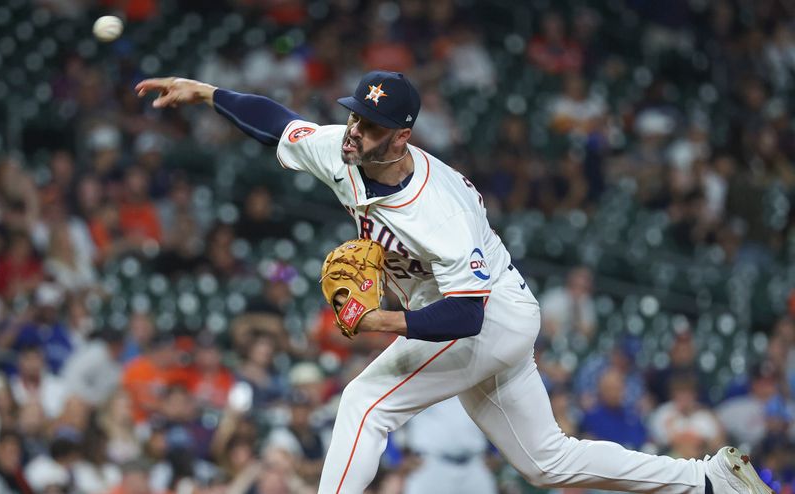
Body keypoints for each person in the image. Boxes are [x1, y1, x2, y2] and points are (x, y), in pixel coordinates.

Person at [136, 71, 769, 493]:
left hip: (486, 317)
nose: (356, 131)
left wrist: (377, 321)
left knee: (364, 403)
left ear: (402, 137)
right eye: (355, 117)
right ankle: (707, 479)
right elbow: (277, 122)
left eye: (372, 127)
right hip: (479, 316)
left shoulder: (436, 210)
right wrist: (207, 93)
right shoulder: (345, 148)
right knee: (546, 462)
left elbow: (465, 315)